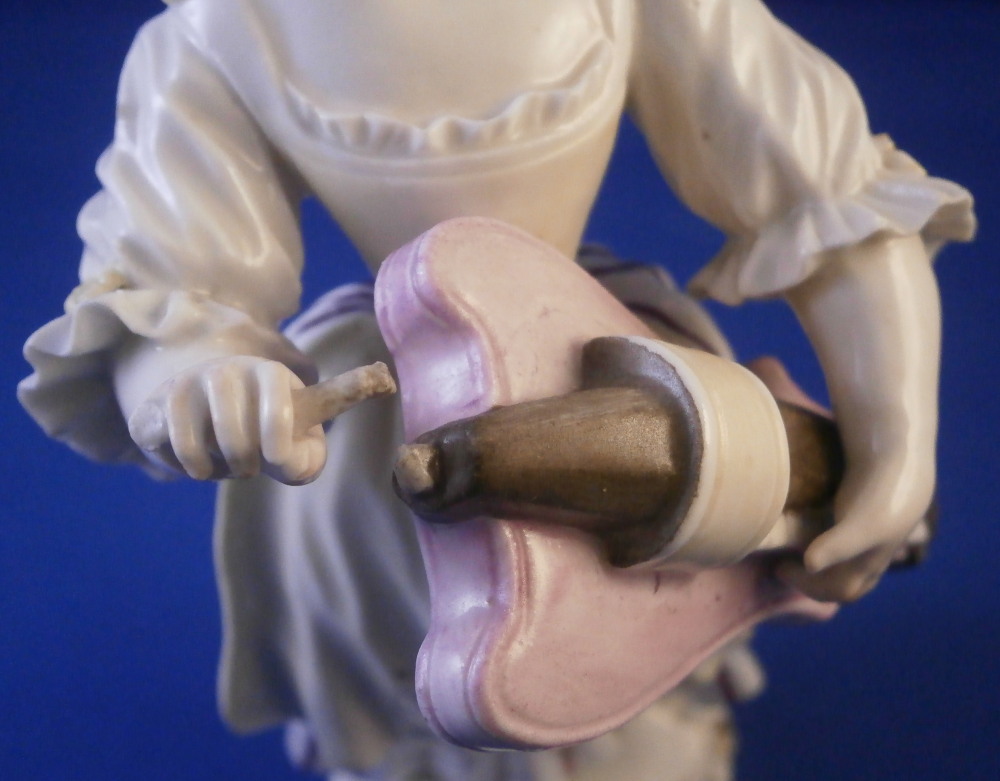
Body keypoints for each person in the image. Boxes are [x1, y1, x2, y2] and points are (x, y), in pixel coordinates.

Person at [19, 1, 974, 779]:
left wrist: (895, 439)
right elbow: (163, 289)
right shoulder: (221, 28)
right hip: (381, 432)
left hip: (601, 378)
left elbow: (825, 190)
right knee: (412, 663)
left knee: (623, 647)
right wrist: (197, 379)